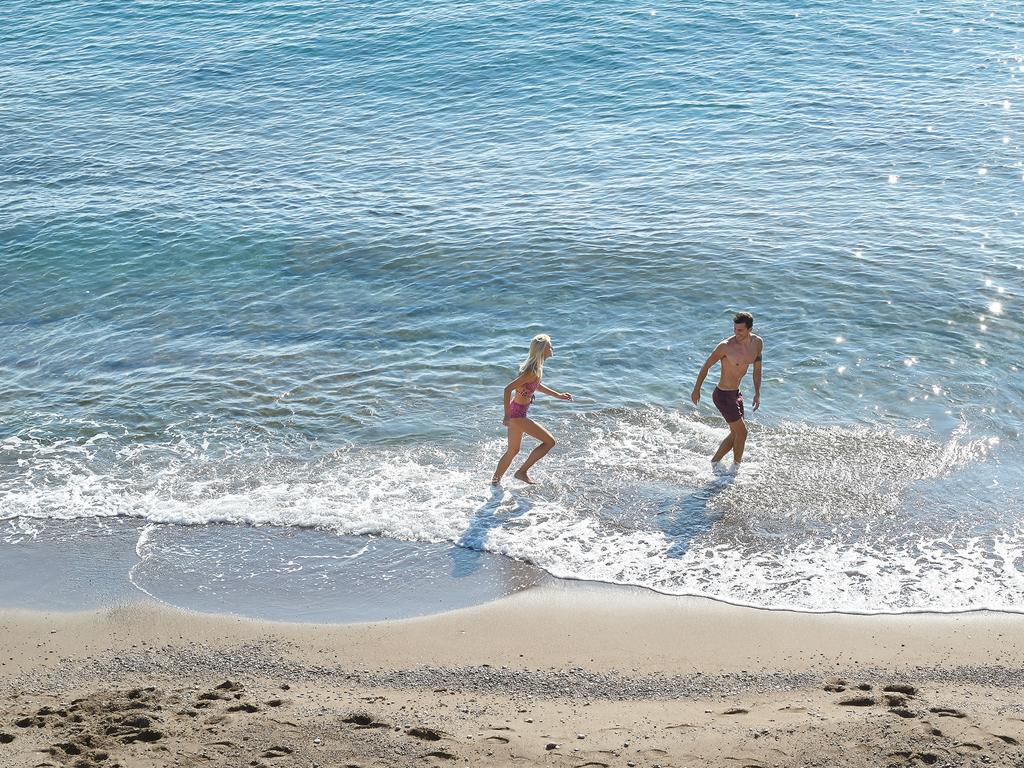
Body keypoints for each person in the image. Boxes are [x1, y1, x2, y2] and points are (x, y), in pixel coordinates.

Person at [491, 334, 573, 485]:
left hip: (517, 412)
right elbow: (507, 389)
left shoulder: (536, 369)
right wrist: (506, 416)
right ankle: (521, 472)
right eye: (549, 346)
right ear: (542, 349)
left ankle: (495, 483)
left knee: (513, 451)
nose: (552, 348)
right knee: (549, 442)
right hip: (517, 415)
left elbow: (536, 385)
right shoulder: (532, 371)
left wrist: (558, 395)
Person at [691, 311, 763, 467]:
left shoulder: (757, 343)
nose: (736, 333)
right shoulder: (726, 346)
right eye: (735, 329)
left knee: (736, 434)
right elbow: (706, 366)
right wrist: (696, 390)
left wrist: (757, 393)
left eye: (740, 330)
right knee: (742, 433)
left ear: (750, 329)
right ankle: (736, 468)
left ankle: (714, 462)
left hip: (736, 394)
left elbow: (757, 370)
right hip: (723, 395)